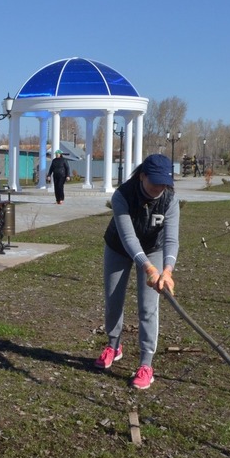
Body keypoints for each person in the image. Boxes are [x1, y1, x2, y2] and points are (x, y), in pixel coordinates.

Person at [94, 154, 180, 390]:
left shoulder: (170, 200)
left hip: (154, 249)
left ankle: (146, 364)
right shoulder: (122, 195)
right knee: (113, 300)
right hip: (119, 247)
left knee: (148, 307)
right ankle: (114, 346)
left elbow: (172, 239)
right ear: (142, 176)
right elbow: (128, 238)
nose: (159, 188)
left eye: (164, 183)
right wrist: (148, 268)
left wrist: (167, 270)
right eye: (154, 182)